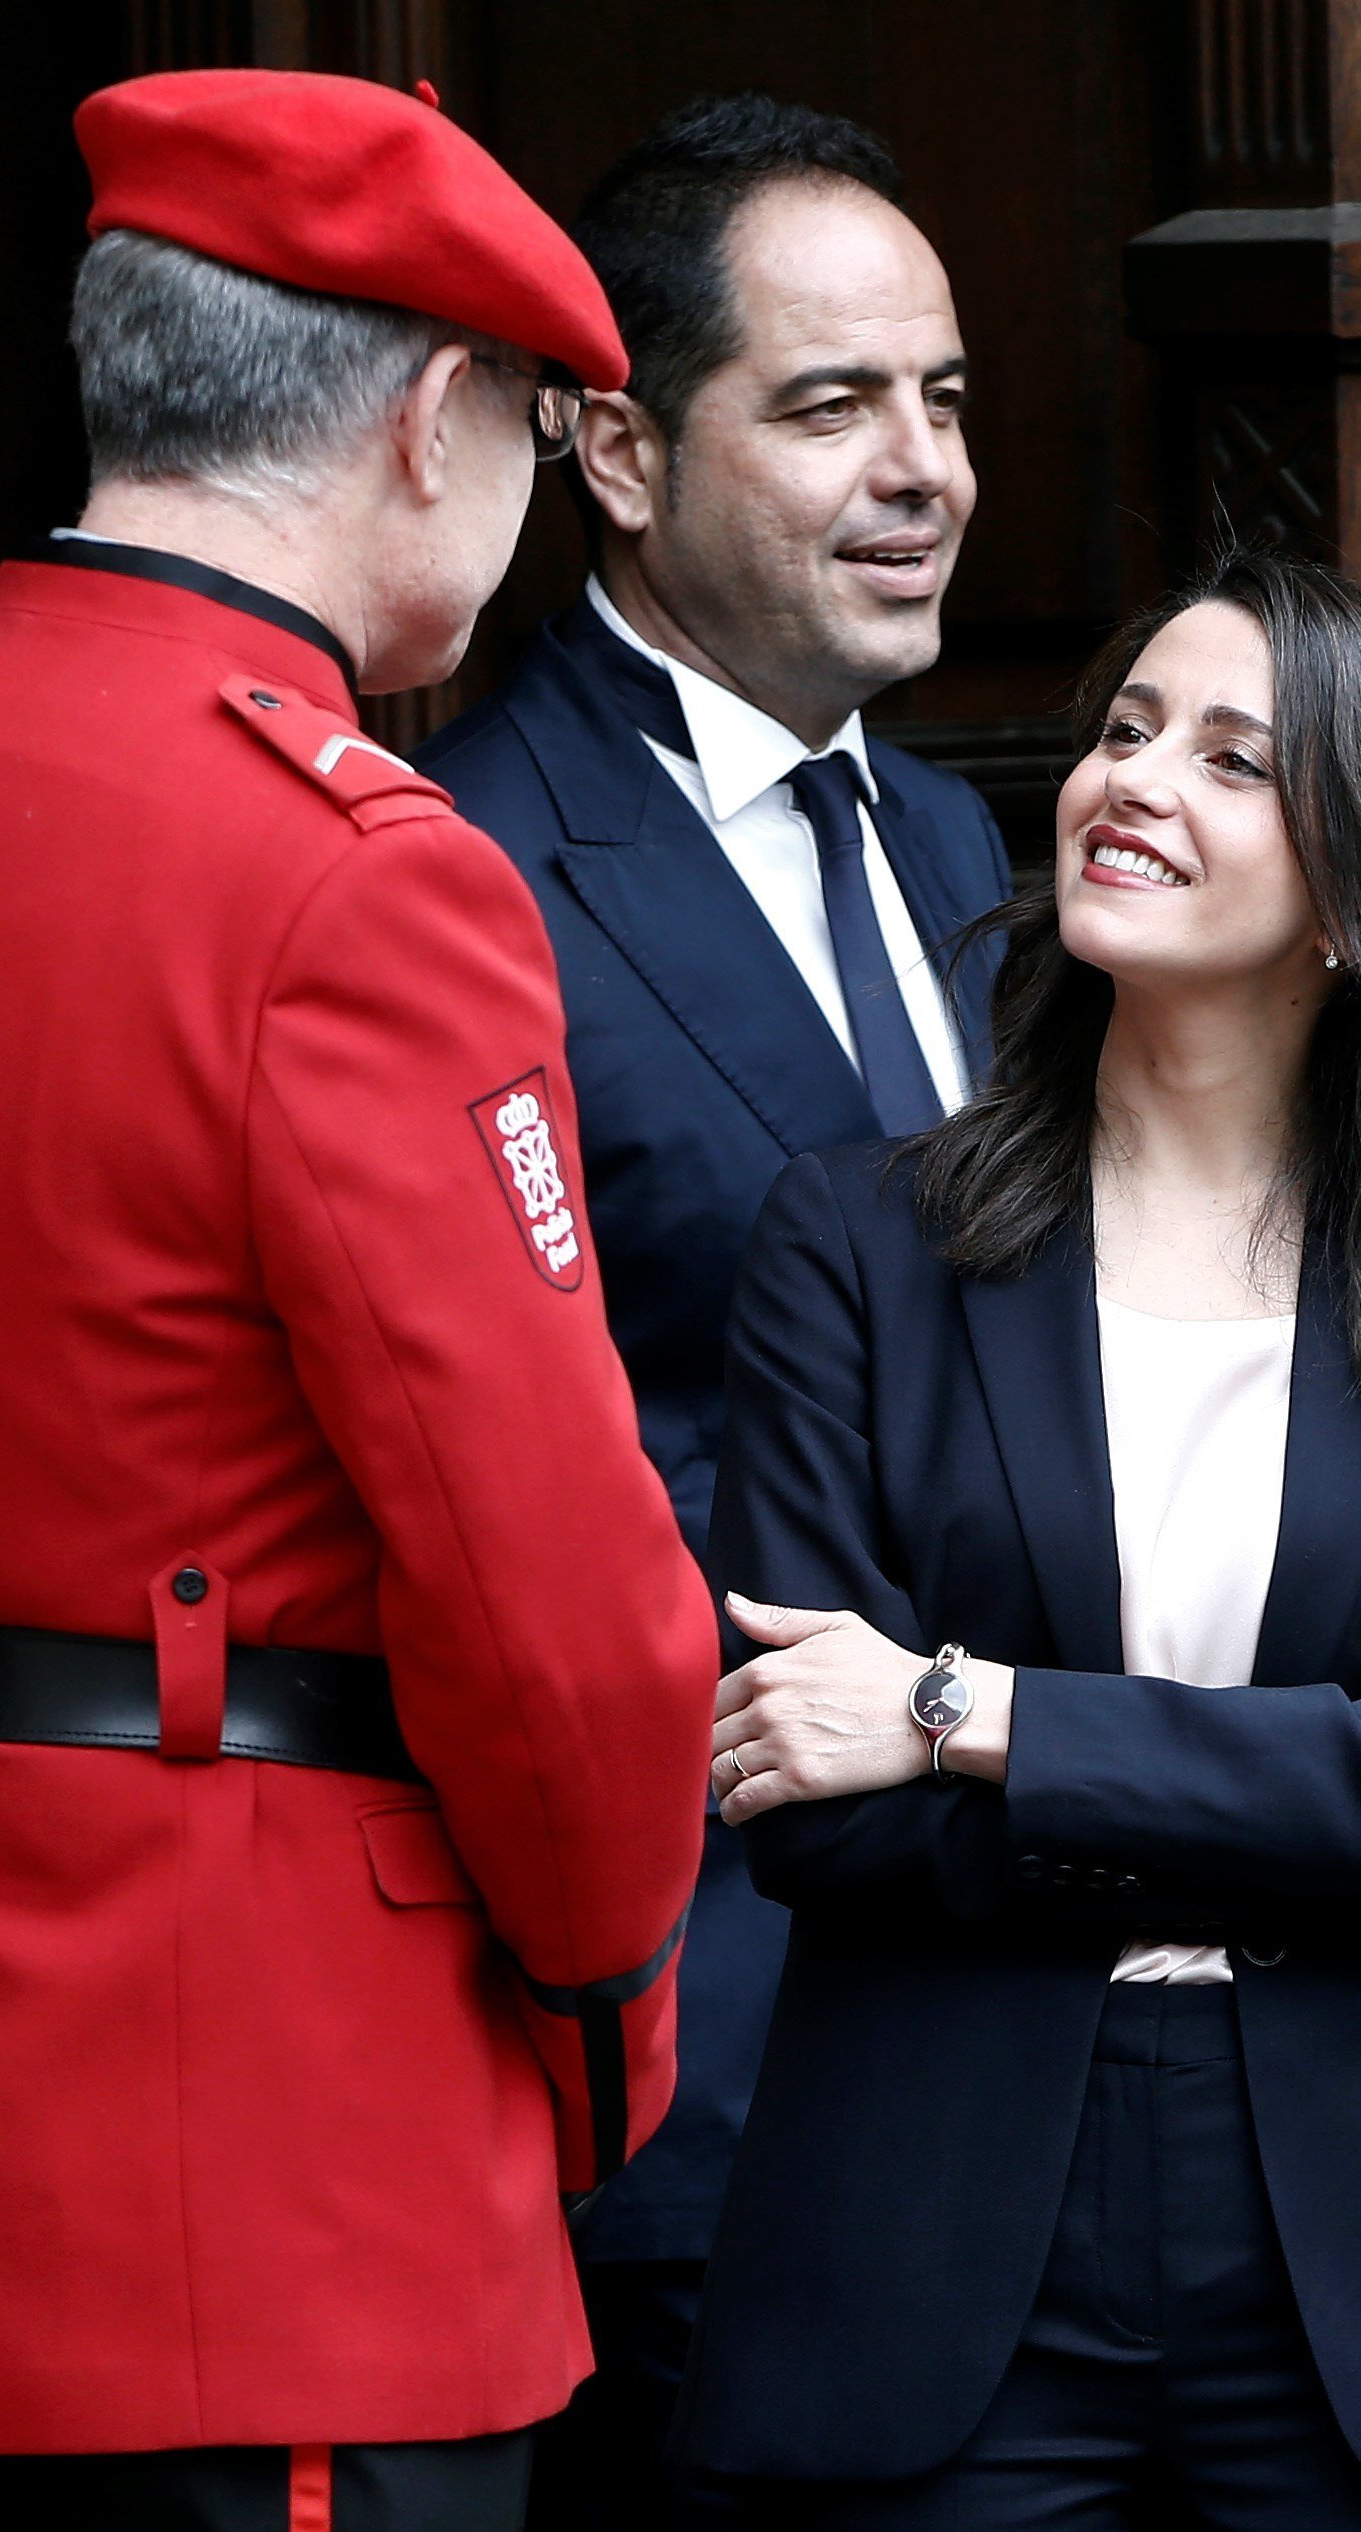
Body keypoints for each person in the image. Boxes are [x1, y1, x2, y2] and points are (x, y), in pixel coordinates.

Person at [0, 70, 716, 2532]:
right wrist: (599, 2007)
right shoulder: (355, 877)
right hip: (251, 2170)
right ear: (437, 418)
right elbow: (563, 1634)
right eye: (542, 433)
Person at [675, 549, 1361, 2527]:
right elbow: (815, 1799)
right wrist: (1322, 1760)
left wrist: (963, 1709)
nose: (1132, 783)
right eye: (1126, 731)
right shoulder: (857, 1243)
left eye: (1234, 760)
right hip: (939, 2223)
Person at [419, 97, 1008, 2524]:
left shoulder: (967, 835)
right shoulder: (448, 862)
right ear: (619, 450)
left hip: (1009, 1984)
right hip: (692, 2026)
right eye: (831, 404)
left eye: (948, 399)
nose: (923, 472)